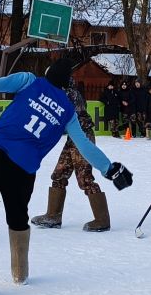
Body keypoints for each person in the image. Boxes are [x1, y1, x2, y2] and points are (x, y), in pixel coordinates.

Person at [0, 60, 133, 295]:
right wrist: (109, 168)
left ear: (46, 74)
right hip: (25, 168)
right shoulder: (68, 112)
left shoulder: (29, 81)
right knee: (17, 214)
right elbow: (84, 145)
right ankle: (20, 271)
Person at [32, 82, 113, 232]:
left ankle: (102, 220)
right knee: (59, 174)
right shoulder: (65, 92)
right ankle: (53, 216)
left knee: (85, 178)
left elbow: (63, 116)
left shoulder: (68, 94)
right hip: (73, 137)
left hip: (82, 136)